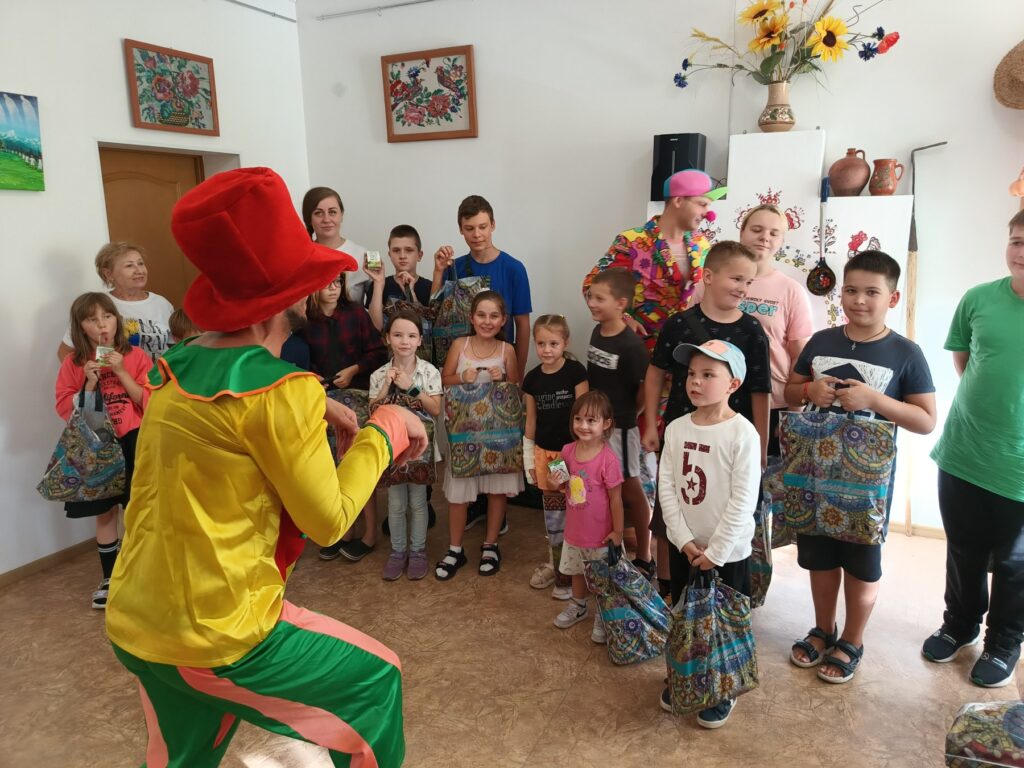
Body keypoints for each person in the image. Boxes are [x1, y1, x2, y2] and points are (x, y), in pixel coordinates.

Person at [106, 167, 426, 768]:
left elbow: (228, 412)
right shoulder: (282, 392)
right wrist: (384, 429)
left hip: (137, 618)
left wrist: (317, 402)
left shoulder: (175, 368)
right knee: (376, 679)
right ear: (285, 299)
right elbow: (329, 521)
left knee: (182, 756)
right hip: (218, 634)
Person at [784, 250, 936, 684]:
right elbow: (791, 392)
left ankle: (852, 638)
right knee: (818, 556)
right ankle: (823, 628)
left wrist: (875, 400)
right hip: (813, 474)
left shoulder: (906, 353)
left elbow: (925, 420)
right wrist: (809, 391)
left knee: (861, 563)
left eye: (872, 292)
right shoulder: (821, 341)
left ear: (893, 298)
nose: (859, 300)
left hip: (867, 485)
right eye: (851, 290)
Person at [924, 210, 1024, 688]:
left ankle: (1004, 641)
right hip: (964, 451)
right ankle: (959, 624)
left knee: (1014, 563)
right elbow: (966, 362)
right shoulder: (979, 299)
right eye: (1017, 240)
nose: (1022, 252)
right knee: (963, 548)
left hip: (1019, 467)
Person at [642, 241, 770, 598]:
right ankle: (672, 587)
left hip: (728, 437)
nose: (743, 288)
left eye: (749, 282)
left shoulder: (752, 329)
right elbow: (656, 373)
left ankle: (721, 583)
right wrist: (651, 423)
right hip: (682, 430)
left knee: (725, 503)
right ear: (709, 276)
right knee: (674, 504)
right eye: (737, 279)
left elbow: (761, 389)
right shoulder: (679, 324)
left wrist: (761, 442)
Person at [657, 339, 760, 728]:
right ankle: (686, 675)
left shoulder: (742, 434)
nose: (695, 382)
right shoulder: (677, 428)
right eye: (691, 374)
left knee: (723, 623)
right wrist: (682, 539)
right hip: (685, 546)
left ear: (733, 384)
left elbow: (742, 500)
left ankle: (722, 687)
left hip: (727, 553)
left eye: (707, 374)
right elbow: (667, 487)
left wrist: (715, 552)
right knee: (687, 616)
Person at [432, 195, 532, 532]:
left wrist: (517, 375)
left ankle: (496, 515)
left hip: (500, 369)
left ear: (493, 225)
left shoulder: (513, 268)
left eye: (482, 226)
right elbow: (437, 310)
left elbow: (523, 325)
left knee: (498, 442)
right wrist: (438, 271)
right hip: (464, 373)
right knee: (469, 441)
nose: (477, 234)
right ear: (460, 230)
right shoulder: (456, 267)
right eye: (469, 228)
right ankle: (475, 507)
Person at [55, 292, 151, 608]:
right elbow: (66, 409)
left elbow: (150, 402)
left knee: (138, 509)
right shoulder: (73, 364)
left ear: (116, 320)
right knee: (105, 512)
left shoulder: (136, 356)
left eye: (107, 316)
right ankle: (110, 578)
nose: (101, 325)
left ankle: (141, 575)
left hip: (134, 440)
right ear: (80, 327)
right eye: (92, 319)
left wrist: (121, 371)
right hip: (97, 444)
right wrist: (89, 384)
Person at [582, 169, 726, 345]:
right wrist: (622, 319)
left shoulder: (702, 243)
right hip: (640, 348)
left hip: (686, 348)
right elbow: (591, 284)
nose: (707, 213)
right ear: (678, 200)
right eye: (702, 204)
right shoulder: (632, 241)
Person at [436, 290, 522, 579]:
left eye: (494, 316)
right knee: (458, 495)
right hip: (464, 436)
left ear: (503, 320)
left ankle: (490, 544)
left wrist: (504, 378)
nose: (487, 321)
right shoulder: (459, 345)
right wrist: (462, 377)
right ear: (472, 318)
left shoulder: (507, 350)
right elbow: (444, 380)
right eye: (481, 315)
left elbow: (516, 388)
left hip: (498, 436)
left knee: (497, 490)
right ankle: (455, 549)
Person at [304, 273, 389, 562]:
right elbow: (301, 363)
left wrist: (354, 370)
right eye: (325, 283)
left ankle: (369, 533)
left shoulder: (356, 314)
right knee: (329, 467)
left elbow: (378, 353)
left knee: (356, 464)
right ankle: (344, 529)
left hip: (357, 396)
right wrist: (315, 379)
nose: (332, 288)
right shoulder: (306, 321)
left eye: (337, 283)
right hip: (323, 400)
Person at [585, 268, 655, 578]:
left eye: (599, 298)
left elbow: (645, 390)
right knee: (603, 485)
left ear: (621, 303)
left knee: (630, 487)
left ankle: (645, 554)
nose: (591, 303)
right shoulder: (596, 332)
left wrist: (629, 416)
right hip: (596, 426)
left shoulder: (632, 346)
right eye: (591, 296)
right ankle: (612, 548)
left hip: (621, 428)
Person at [370, 309, 443, 582]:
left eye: (411, 336)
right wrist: (386, 386)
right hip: (393, 446)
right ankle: (398, 552)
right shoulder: (378, 374)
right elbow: (373, 410)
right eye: (398, 335)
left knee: (418, 502)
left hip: (420, 448)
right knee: (396, 502)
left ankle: (418, 551)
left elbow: (435, 409)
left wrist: (411, 386)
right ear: (387, 338)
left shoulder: (429, 372)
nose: (405, 341)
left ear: (420, 340)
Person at [737, 204, 814, 455]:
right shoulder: (712, 282)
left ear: (781, 241)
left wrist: (794, 414)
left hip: (773, 403)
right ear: (742, 232)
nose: (764, 237)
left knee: (764, 475)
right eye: (756, 229)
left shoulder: (791, 291)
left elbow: (801, 356)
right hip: (719, 399)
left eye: (773, 233)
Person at [523, 314, 589, 600]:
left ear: (565, 343)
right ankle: (559, 567)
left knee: (577, 510)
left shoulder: (576, 372)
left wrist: (585, 454)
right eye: (541, 344)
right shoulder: (532, 379)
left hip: (572, 455)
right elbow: (531, 421)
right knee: (554, 516)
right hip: (547, 457)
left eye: (553, 343)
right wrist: (528, 459)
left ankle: (580, 570)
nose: (547, 350)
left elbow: (585, 414)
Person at [551, 390, 624, 645]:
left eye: (591, 420)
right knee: (577, 571)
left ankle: (603, 614)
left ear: (606, 424)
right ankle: (578, 605)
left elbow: (616, 499)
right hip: (575, 531)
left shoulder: (608, 459)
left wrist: (618, 531)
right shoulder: (567, 451)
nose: (583, 425)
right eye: (578, 419)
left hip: (601, 535)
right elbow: (562, 483)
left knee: (601, 577)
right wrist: (555, 482)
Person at [57, 242, 175, 363]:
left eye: (140, 263)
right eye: (129, 266)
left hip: (162, 374)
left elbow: (175, 346)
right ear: (108, 274)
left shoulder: (161, 303)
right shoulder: (98, 304)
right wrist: (89, 373)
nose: (139, 270)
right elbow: (65, 351)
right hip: (119, 374)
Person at [302, 186, 371, 305]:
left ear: (341, 215)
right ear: (309, 219)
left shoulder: (362, 255)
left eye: (332, 212)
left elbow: (376, 304)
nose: (326, 219)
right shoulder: (301, 257)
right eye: (318, 213)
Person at [365, 224, 434, 331]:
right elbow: (375, 328)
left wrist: (410, 293)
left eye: (409, 250)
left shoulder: (429, 287)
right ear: (390, 255)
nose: (402, 256)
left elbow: (426, 329)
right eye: (396, 250)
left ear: (419, 255)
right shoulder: (378, 285)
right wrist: (378, 283)